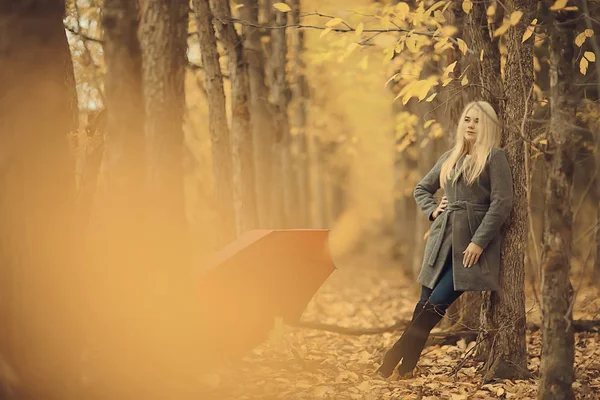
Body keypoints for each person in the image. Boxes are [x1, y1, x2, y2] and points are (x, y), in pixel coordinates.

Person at [376, 101, 514, 379]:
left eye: (477, 121)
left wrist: (479, 241)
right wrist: (432, 209)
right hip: (441, 241)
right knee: (423, 304)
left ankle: (393, 355)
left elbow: (501, 203)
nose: (471, 125)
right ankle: (406, 367)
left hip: (471, 246)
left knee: (435, 304)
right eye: (467, 120)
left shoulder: (494, 157)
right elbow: (421, 188)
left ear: (487, 126)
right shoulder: (450, 157)